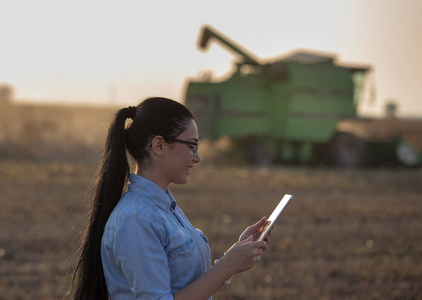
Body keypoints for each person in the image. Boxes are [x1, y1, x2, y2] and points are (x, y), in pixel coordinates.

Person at [72, 97, 269, 300]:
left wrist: (233, 257)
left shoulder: (163, 208)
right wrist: (227, 267)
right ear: (159, 146)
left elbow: (185, 282)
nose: (197, 157)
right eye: (192, 146)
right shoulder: (137, 219)